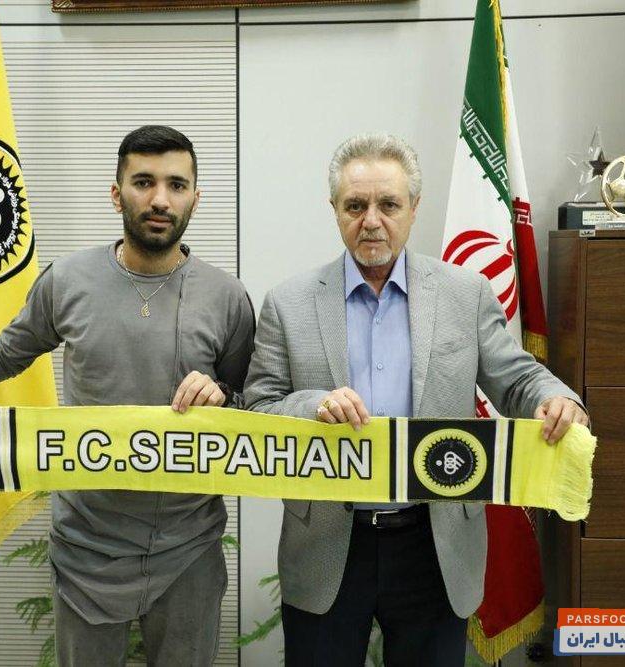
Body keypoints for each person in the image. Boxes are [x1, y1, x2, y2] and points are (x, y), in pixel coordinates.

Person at [0, 125, 256, 666]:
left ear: (195, 199)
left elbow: (251, 402)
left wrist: (222, 394)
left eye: (176, 185)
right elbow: (2, 356)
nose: (160, 199)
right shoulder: (67, 280)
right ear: (117, 194)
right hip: (88, 545)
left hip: (189, 547)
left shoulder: (228, 297)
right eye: (144, 182)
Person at [243, 133, 589, 666]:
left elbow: (517, 378)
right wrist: (312, 407)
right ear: (334, 209)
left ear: (414, 208)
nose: (371, 221)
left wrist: (555, 397)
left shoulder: (464, 294)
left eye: (388, 204)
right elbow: (259, 408)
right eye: (355, 206)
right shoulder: (288, 304)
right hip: (329, 544)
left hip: (436, 543)